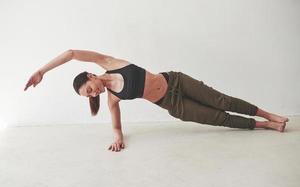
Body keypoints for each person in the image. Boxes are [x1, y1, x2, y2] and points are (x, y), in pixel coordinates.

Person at [24, 49, 289, 152]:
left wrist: (42, 71)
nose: (93, 94)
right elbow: (116, 125)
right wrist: (118, 138)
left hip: (176, 81)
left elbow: (71, 53)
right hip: (173, 105)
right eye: (89, 96)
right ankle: (267, 127)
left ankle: (270, 115)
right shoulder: (113, 99)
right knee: (218, 118)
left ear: (91, 75)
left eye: (90, 89)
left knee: (222, 100)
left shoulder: (109, 63)